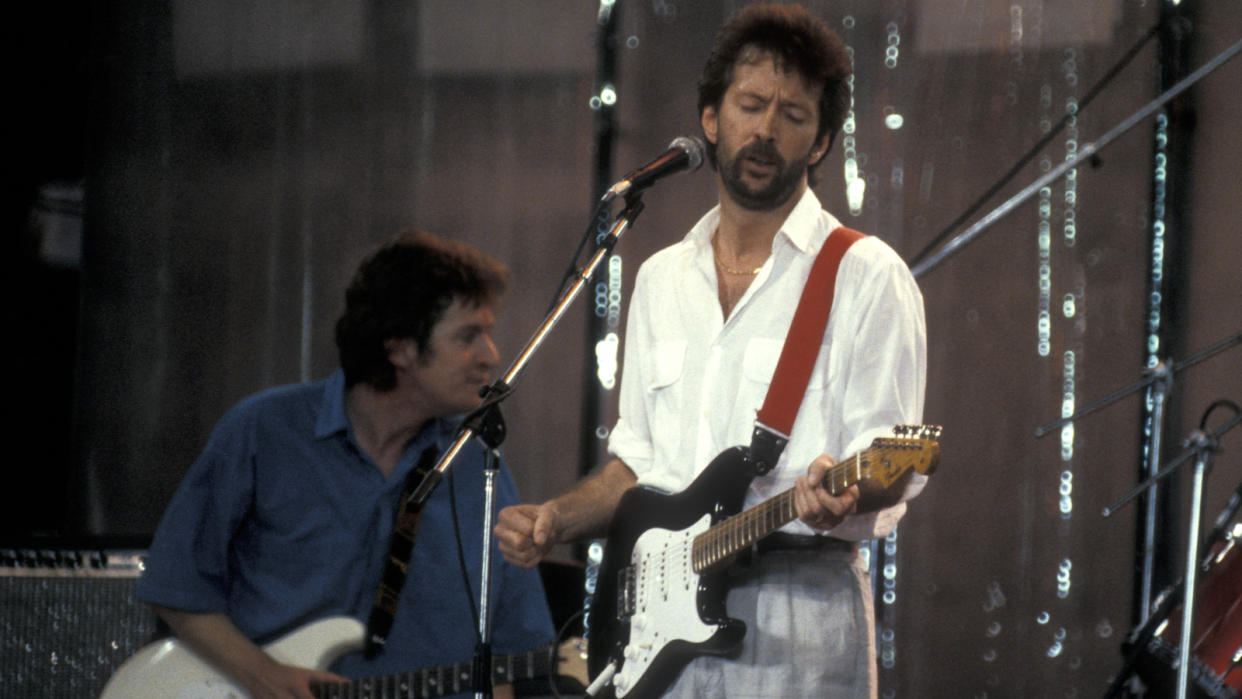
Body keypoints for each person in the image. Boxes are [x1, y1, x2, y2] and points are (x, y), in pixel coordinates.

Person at [494, 4, 927, 698]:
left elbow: (895, 458)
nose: (764, 129)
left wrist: (842, 487)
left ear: (819, 144)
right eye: (750, 105)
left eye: (792, 114)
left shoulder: (866, 274)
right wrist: (557, 519)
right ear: (709, 119)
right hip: (657, 636)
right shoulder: (662, 276)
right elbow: (638, 462)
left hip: (798, 625)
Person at [135, 230, 556, 699]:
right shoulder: (264, 431)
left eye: (488, 333)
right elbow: (174, 586)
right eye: (468, 336)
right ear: (399, 349)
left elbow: (511, 654)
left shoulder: (481, 468)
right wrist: (265, 677)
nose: (490, 356)